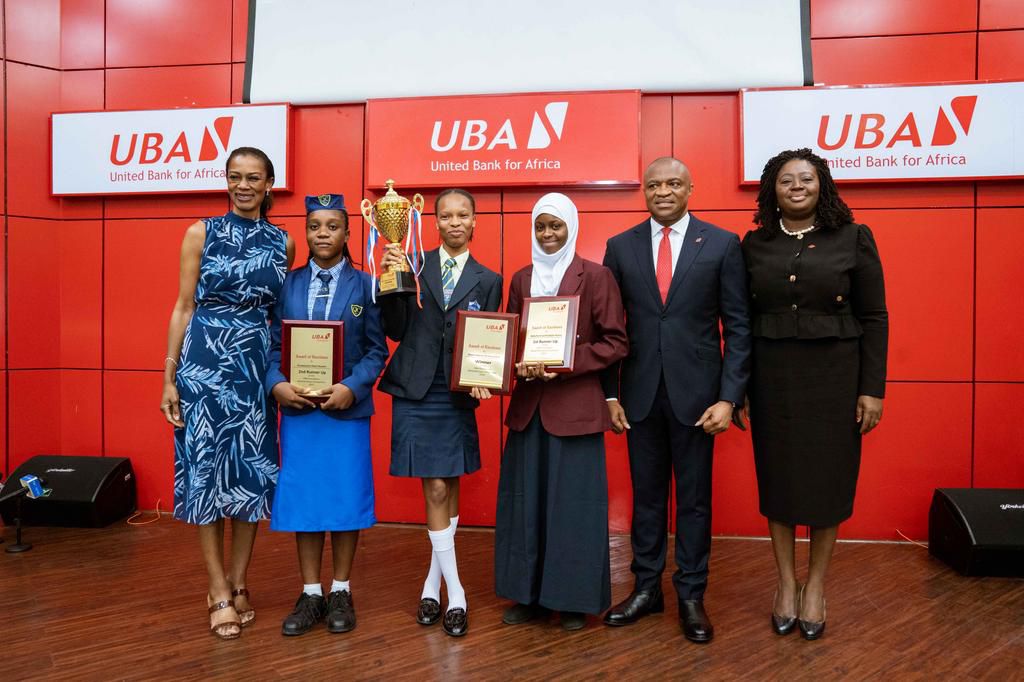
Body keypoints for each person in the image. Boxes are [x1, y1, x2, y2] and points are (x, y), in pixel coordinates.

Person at [737, 148, 887, 640]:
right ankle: (785, 584)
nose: (796, 186)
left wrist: (872, 389)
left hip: (836, 380)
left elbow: (874, 318)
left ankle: (816, 587)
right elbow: (741, 322)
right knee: (778, 483)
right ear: (771, 190)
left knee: (828, 484)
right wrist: (737, 387)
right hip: (772, 379)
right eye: (786, 180)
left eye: (806, 178)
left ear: (822, 184)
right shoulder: (754, 243)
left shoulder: (853, 238)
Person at [600, 157, 751, 643]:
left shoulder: (723, 244)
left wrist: (729, 398)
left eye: (673, 184)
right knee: (646, 500)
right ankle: (646, 589)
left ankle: (691, 595)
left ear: (690, 188)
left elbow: (739, 327)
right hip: (639, 395)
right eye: (653, 185)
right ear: (643, 191)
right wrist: (609, 394)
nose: (662, 191)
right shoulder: (620, 248)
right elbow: (607, 327)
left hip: (699, 399)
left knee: (693, 502)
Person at [160, 147, 294, 640]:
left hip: (255, 372)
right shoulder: (201, 232)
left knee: (249, 477)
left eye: (253, 178)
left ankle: (240, 582)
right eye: (235, 177)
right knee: (206, 477)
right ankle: (216, 588)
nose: (243, 185)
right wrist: (169, 377)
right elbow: (182, 307)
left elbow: (282, 316)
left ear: (268, 184)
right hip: (203, 368)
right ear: (226, 181)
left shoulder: (283, 242)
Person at [494, 192, 628, 632]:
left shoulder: (597, 276)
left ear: (572, 226)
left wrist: (565, 362)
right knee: (526, 506)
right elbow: (509, 337)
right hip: (529, 410)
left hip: (575, 410)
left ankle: (572, 600)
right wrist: (509, 362)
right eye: (540, 226)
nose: (548, 234)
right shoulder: (520, 278)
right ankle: (529, 597)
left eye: (556, 226)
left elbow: (615, 343)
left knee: (574, 508)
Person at [377, 188, 502, 637]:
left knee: (447, 487)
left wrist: (484, 378)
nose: (454, 222)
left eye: (462, 214)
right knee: (434, 488)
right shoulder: (410, 261)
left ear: (474, 221)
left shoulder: (489, 279)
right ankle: (458, 594)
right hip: (416, 389)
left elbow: (487, 340)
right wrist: (389, 281)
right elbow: (394, 329)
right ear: (433, 222)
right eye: (445, 215)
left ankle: (431, 586)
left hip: (456, 394)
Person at [266, 194, 388, 637]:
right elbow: (272, 346)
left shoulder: (366, 285)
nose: (323, 234)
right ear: (307, 231)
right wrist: (276, 384)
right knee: (306, 502)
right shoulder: (287, 284)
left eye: (332, 226)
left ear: (347, 232)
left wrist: (351, 388)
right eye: (315, 226)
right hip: (299, 412)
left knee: (343, 500)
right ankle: (311, 592)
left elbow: (377, 350)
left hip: (345, 412)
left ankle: (341, 589)